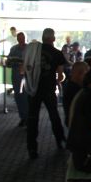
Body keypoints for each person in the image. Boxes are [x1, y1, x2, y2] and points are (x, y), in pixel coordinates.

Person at [24, 28, 67, 159]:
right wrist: (57, 80)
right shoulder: (57, 53)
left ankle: (32, 148)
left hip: (34, 89)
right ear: (53, 38)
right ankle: (60, 140)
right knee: (54, 116)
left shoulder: (33, 50)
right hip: (49, 90)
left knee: (32, 118)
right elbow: (60, 76)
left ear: (43, 38)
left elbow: (26, 67)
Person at [6, 32, 28, 127]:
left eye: (22, 38)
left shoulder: (29, 48)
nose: (21, 40)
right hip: (16, 77)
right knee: (18, 97)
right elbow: (8, 62)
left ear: (25, 38)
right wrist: (9, 61)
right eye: (19, 38)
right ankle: (22, 117)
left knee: (26, 98)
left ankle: (28, 118)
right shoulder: (13, 49)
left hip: (27, 77)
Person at [63, 61, 90, 126]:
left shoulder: (70, 84)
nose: (87, 77)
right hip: (77, 124)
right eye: (86, 74)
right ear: (79, 73)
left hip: (73, 122)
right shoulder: (75, 90)